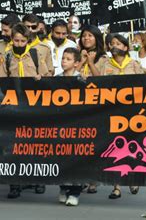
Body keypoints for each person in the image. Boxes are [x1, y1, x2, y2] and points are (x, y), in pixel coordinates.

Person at [0, 23, 48, 198]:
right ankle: (15, 184)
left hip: (34, 105)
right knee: (14, 144)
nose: (19, 43)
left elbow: (49, 76)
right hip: (15, 105)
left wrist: (42, 77)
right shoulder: (7, 56)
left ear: (28, 40)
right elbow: (0, 80)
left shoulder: (35, 54)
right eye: (16, 40)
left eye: (22, 40)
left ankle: (37, 180)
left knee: (35, 144)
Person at [99, 34, 144, 199]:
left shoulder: (134, 65)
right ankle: (116, 186)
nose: (114, 46)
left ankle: (133, 178)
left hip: (131, 113)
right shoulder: (105, 65)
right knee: (115, 147)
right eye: (111, 44)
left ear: (126, 47)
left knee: (132, 146)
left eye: (118, 43)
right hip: (113, 112)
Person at [57, 48, 83, 206]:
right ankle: (63, 187)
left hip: (77, 124)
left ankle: (75, 191)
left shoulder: (81, 79)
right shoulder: (56, 79)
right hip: (60, 123)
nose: (64, 61)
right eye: (63, 58)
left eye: (68, 59)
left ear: (76, 63)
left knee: (76, 156)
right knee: (61, 156)